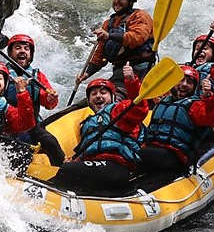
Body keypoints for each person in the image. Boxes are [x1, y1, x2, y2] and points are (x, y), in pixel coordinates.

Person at [0, 31, 65, 166]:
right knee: (17, 149)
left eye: (26, 48)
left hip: (30, 125)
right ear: (10, 52)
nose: (22, 51)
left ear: (31, 54)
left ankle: (62, 170)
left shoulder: (38, 76)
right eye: (18, 48)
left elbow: (48, 104)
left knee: (50, 142)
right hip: (2, 124)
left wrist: (50, 98)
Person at [50, 63, 148, 191]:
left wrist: (131, 81)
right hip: (97, 166)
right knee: (69, 169)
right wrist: (76, 160)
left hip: (117, 166)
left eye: (103, 92)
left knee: (68, 170)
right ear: (89, 101)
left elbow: (140, 109)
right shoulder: (88, 123)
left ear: (112, 98)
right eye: (94, 94)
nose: (98, 96)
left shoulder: (118, 111)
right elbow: (89, 149)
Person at [75, 0, 155, 99]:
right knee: (92, 98)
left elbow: (137, 37)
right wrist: (86, 74)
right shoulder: (108, 23)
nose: (117, 2)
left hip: (141, 74)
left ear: (131, 0)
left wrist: (109, 36)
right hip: (119, 75)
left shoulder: (141, 16)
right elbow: (100, 55)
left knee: (111, 99)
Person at [139, 65, 214, 176]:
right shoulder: (162, 101)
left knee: (138, 154)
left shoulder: (195, 105)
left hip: (176, 155)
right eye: (181, 80)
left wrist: (208, 96)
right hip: (154, 148)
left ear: (194, 88)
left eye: (189, 82)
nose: (184, 84)